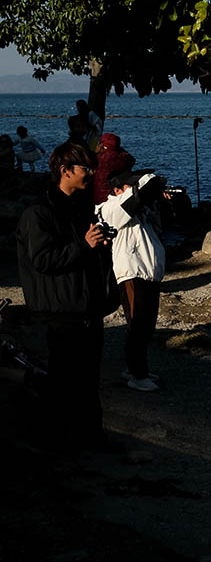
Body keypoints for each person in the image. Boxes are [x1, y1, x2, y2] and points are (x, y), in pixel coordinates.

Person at [15, 142, 117, 450]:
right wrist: (85, 246)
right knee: (62, 382)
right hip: (59, 312)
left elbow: (84, 255)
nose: (92, 173)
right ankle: (58, 444)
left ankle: (90, 438)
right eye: (86, 168)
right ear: (65, 171)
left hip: (86, 310)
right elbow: (43, 260)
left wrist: (100, 245)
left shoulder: (81, 209)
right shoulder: (39, 213)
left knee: (88, 381)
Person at [96, 169, 167, 392]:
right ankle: (137, 374)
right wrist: (146, 186)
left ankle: (136, 368)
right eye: (128, 186)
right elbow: (137, 194)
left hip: (149, 272)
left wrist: (159, 199)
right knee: (137, 324)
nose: (133, 191)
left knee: (147, 326)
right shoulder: (109, 207)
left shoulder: (139, 209)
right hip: (131, 273)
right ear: (117, 190)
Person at [93, 133, 135, 205]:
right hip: (114, 197)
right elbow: (132, 160)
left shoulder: (97, 158)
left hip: (96, 196)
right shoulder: (123, 158)